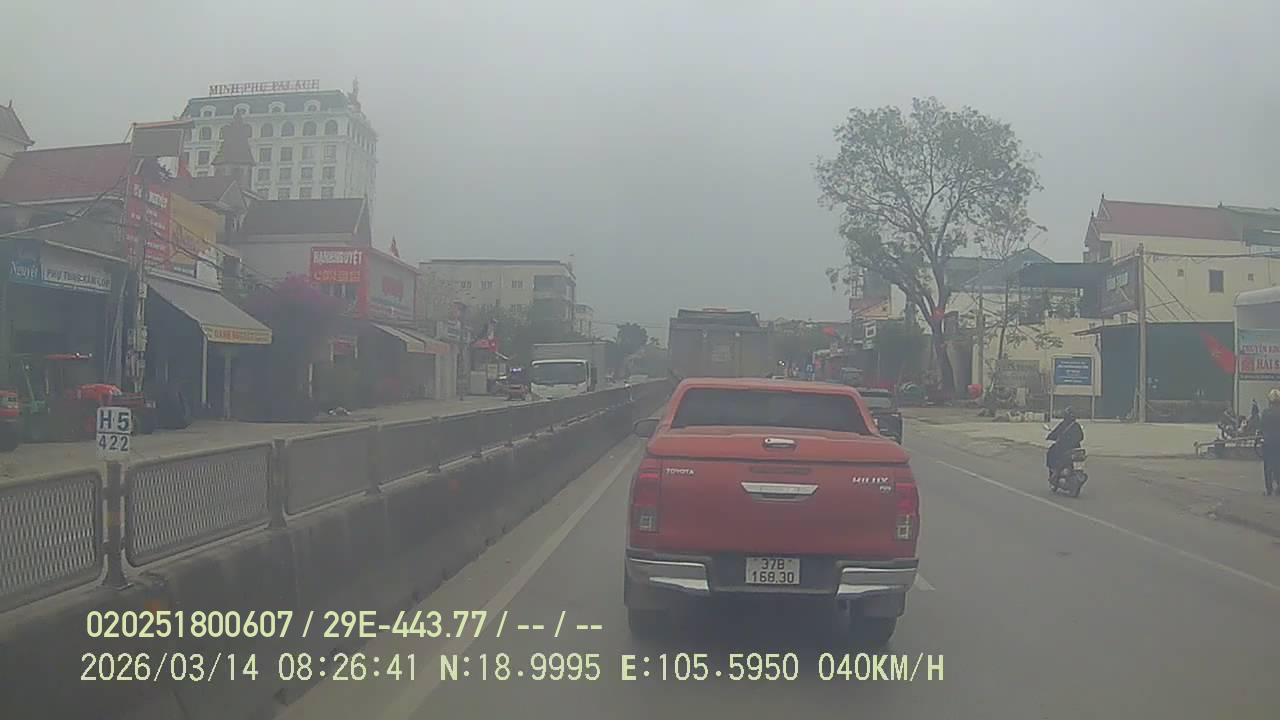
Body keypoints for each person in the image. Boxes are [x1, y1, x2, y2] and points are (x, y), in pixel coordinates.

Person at [1046, 407, 1085, 482]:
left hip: (1064, 448)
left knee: (1051, 452)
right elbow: (1081, 437)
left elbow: (1055, 433)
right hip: (1076, 448)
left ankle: (1055, 472)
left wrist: (1049, 437)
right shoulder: (1077, 425)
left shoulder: (1063, 424)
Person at [1259, 389, 1280, 496]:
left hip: (1268, 442)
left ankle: (1269, 489)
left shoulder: (1266, 412)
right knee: (1278, 464)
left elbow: (1261, 427)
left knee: (1268, 466)